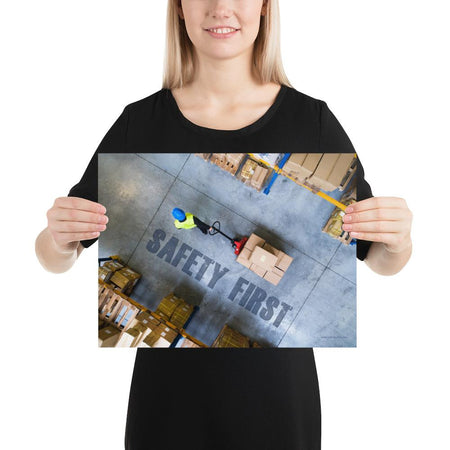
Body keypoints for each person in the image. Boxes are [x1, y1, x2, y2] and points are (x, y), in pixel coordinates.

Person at [34, 0, 413, 448]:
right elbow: (54, 256)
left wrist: (398, 239)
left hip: (278, 411)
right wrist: (58, 240)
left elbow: (381, 261)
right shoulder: (141, 123)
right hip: (168, 411)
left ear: (266, 8)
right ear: (178, 8)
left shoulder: (311, 121)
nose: (221, 8)